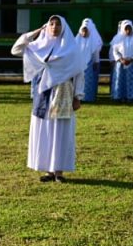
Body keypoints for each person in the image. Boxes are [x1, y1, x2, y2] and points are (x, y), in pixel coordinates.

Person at [11, 16, 86, 182]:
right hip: (43, 94)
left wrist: (78, 96)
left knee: (60, 131)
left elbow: (79, 73)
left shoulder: (72, 49)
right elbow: (16, 49)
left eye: (58, 24)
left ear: (64, 27)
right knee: (45, 130)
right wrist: (38, 31)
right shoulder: (38, 47)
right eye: (51, 24)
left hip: (63, 94)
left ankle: (59, 171)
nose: (54, 27)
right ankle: (48, 171)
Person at [110, 20, 133, 101]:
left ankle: (131, 97)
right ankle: (118, 96)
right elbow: (114, 50)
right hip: (120, 63)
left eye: (129, 29)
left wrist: (131, 59)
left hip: (131, 63)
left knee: (131, 80)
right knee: (119, 80)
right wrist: (120, 59)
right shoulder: (118, 39)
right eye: (126, 29)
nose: (128, 31)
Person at [76, 18, 103, 102]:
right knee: (79, 81)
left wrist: (96, 62)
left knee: (88, 82)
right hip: (79, 64)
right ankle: (78, 97)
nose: (84, 33)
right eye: (83, 31)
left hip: (89, 64)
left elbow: (95, 53)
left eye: (86, 31)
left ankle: (88, 97)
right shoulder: (76, 40)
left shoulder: (93, 41)